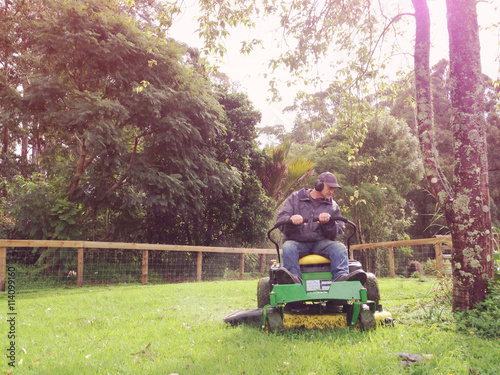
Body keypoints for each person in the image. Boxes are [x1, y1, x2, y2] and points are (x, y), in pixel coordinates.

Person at [275, 172, 366, 284]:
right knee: (288, 246)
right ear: (319, 184)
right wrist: (291, 221)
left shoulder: (332, 206)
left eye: (334, 189)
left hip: (321, 243)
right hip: (297, 242)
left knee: (340, 247)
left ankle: (341, 278)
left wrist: (328, 223)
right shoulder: (295, 198)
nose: (332, 191)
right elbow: (280, 220)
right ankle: (294, 279)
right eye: (330, 188)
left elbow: (339, 230)